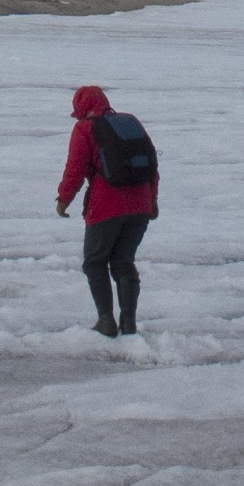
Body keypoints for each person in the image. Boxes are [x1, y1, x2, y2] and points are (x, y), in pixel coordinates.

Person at [57, 84, 159, 335]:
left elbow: (75, 170)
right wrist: (152, 200)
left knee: (94, 262)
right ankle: (128, 322)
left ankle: (106, 321)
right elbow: (152, 164)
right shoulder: (129, 123)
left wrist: (63, 200)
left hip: (106, 206)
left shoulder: (84, 129)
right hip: (140, 205)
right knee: (123, 262)